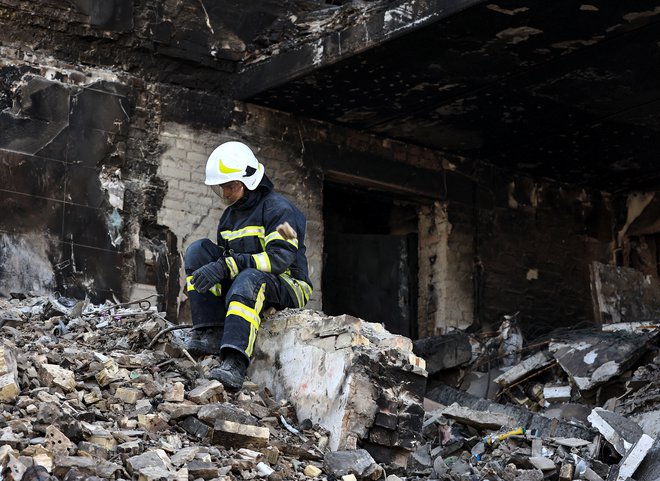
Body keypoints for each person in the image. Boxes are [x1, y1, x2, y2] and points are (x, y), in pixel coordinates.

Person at [183, 140, 313, 390]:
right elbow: (225, 257)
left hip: (289, 283)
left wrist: (227, 266)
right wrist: (218, 266)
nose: (225, 193)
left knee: (249, 279)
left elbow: (279, 259)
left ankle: (235, 363)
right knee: (198, 251)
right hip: (250, 277)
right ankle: (210, 332)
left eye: (230, 186)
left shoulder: (279, 210)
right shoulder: (229, 218)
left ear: (249, 181)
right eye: (222, 187)